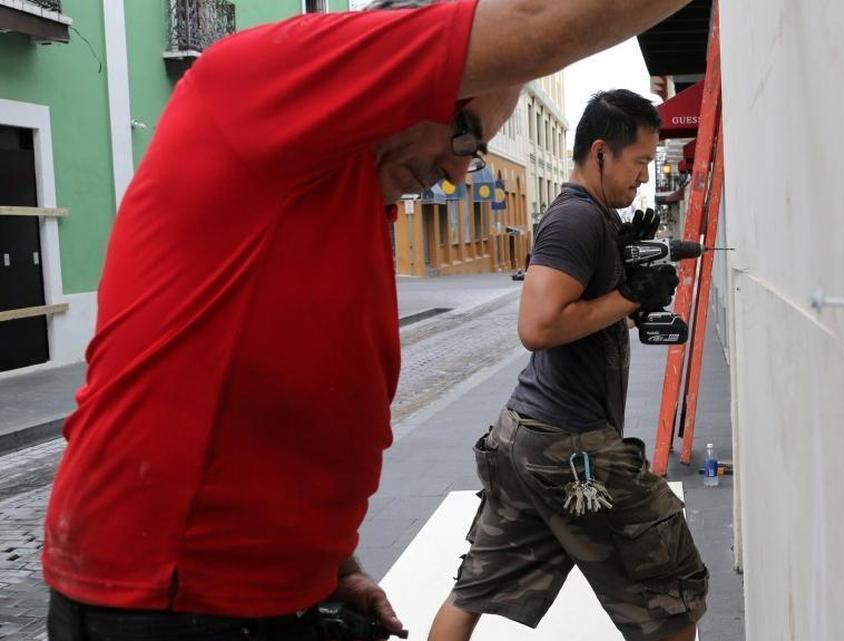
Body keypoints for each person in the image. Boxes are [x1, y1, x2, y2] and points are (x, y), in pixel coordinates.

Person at [41, 1, 692, 639]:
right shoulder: (266, 77)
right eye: (464, 131)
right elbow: (537, 24)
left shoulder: (341, 189)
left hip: (260, 591)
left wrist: (329, 565)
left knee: (481, 588)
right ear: (399, 70)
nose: (457, 170)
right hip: (173, 598)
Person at [427, 90, 707, 641]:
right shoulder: (575, 219)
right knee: (671, 595)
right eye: (639, 163)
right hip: (569, 447)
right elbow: (538, 328)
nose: (641, 177)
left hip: (528, 439)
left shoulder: (595, 217)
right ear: (601, 152)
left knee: (474, 591)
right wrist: (629, 294)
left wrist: (627, 301)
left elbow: (578, 323)